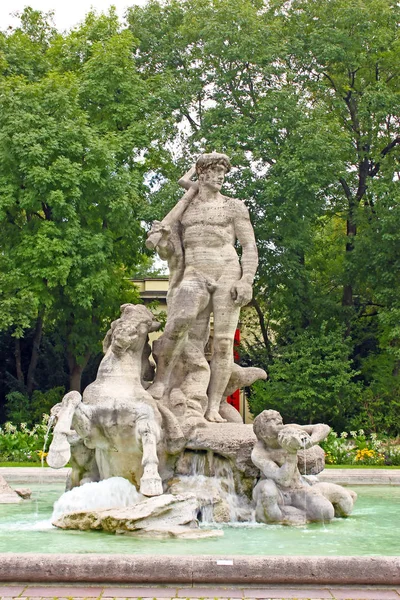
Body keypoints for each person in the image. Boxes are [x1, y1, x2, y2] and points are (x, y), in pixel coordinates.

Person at [147, 153, 258, 422]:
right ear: (201, 174)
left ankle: (213, 405)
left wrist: (247, 280)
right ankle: (162, 381)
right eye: (215, 171)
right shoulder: (185, 207)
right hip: (195, 271)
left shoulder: (234, 206)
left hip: (227, 271)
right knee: (181, 323)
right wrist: (162, 242)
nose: (220, 176)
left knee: (222, 343)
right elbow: (171, 250)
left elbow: (249, 247)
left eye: (223, 172)